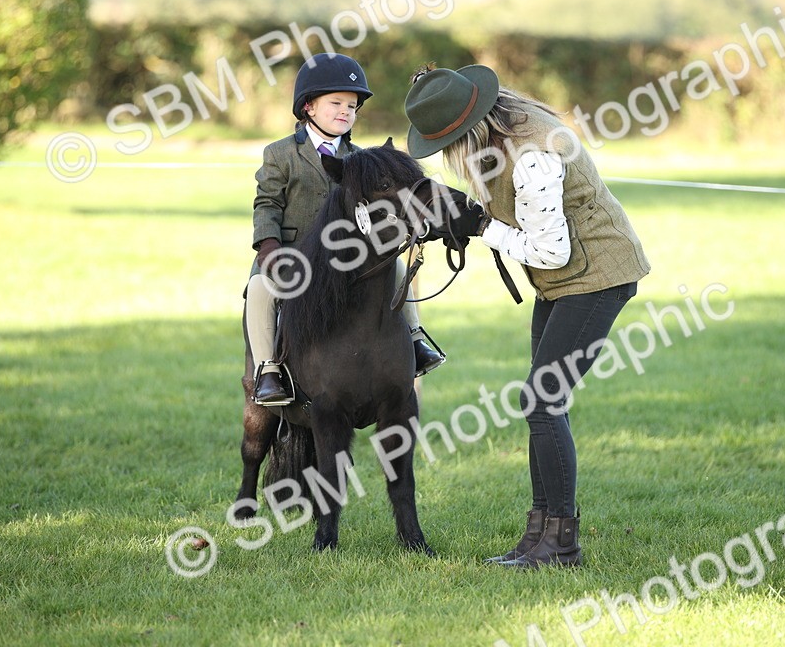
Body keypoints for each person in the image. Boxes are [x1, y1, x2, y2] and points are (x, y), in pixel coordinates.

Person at [403, 64, 650, 568]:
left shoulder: (533, 155)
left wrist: (477, 226)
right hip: (564, 279)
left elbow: (550, 252)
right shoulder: (505, 125)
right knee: (540, 401)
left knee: (542, 401)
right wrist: (460, 216)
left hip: (596, 274)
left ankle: (561, 544)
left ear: (464, 132)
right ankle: (538, 536)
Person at [247, 53, 446, 406]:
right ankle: (268, 370)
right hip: (294, 258)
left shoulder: (361, 157)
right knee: (261, 287)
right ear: (308, 106)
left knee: (397, 268)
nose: (345, 111)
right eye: (336, 103)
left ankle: (415, 340)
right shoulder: (280, 154)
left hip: (348, 258)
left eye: (352, 106)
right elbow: (267, 204)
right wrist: (268, 246)